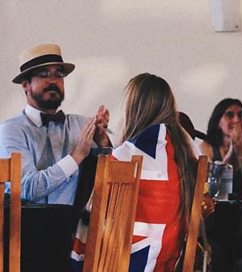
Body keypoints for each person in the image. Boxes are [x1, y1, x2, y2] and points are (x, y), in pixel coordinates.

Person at [71, 73, 198, 271]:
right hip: (168, 261)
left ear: (134, 110)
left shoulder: (125, 156)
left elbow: (95, 220)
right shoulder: (188, 150)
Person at [0, 43, 111, 205]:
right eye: (44, 74)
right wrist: (76, 156)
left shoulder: (82, 124)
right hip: (26, 221)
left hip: (74, 221)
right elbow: (27, 188)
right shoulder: (11, 130)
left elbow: (114, 180)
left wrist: (104, 143)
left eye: (58, 74)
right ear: (26, 85)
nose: (53, 81)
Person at [200, 98, 242, 200]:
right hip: (218, 205)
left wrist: (241, 155)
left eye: (240, 115)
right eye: (229, 115)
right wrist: (231, 152)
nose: (236, 120)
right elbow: (214, 190)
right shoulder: (207, 147)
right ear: (218, 122)